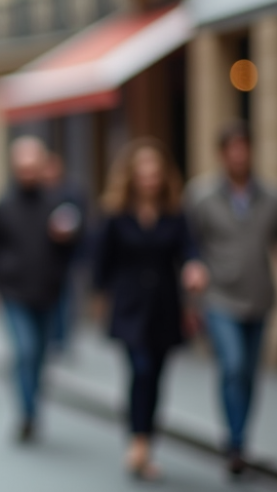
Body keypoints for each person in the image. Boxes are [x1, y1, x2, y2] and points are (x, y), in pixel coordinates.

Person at [93, 139, 208, 480]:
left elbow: (189, 249)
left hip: (163, 304)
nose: (149, 179)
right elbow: (102, 262)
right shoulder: (116, 212)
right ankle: (137, 440)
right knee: (140, 369)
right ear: (131, 175)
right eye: (143, 172)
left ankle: (146, 440)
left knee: (156, 376)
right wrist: (101, 300)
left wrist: (194, 268)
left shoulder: (175, 211)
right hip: (129, 305)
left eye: (155, 172)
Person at [186, 121, 277, 477]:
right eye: (232, 149)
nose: (239, 155)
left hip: (258, 296)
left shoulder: (268, 197)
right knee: (233, 365)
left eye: (244, 148)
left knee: (250, 374)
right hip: (219, 296)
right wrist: (190, 297)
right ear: (222, 154)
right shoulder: (202, 197)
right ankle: (234, 442)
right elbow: (188, 246)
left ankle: (241, 440)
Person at [0, 136, 80, 443]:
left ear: (42, 167)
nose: (27, 172)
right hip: (14, 292)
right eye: (21, 167)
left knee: (39, 355)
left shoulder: (57, 204)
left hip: (48, 292)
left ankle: (33, 404)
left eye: (32, 166)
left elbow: (76, 250)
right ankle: (27, 414)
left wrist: (68, 239)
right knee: (24, 350)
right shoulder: (5, 203)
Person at [43, 151, 89, 355]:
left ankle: (62, 338)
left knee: (66, 299)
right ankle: (52, 337)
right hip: (44, 258)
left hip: (68, 256)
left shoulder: (71, 191)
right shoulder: (40, 193)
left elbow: (83, 220)